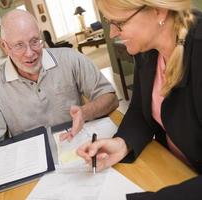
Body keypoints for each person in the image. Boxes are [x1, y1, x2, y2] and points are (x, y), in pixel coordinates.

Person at [0, 9, 118, 189]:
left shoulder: (71, 58)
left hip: (80, 154)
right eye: (19, 45)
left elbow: (109, 97)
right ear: (4, 46)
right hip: (31, 170)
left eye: (34, 41)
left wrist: (85, 112)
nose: (30, 53)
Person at [77, 0, 202, 199]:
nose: (112, 33)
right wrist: (122, 143)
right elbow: (140, 111)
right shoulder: (147, 51)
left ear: (159, 12)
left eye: (119, 23)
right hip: (171, 171)